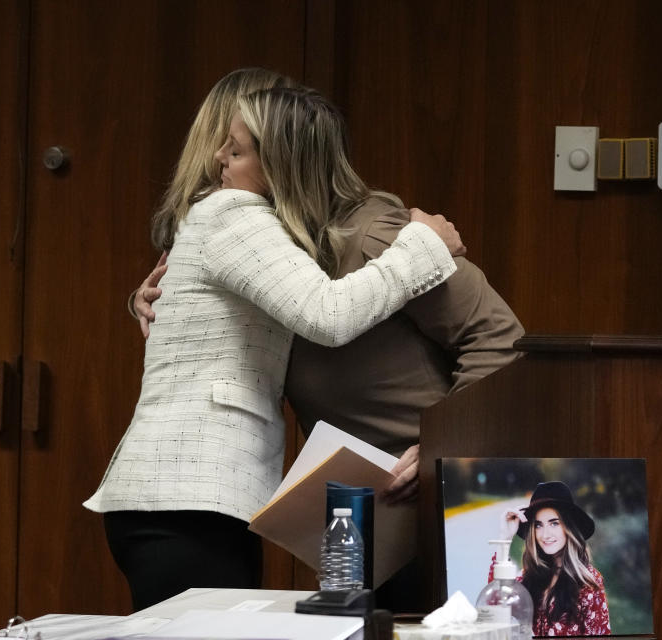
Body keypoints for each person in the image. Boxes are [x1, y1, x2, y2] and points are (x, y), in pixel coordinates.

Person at [84, 73, 464, 611]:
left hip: (185, 505)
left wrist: (145, 299)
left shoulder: (233, 222)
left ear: (280, 163)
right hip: (188, 502)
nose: (218, 157)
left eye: (235, 151)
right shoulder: (234, 214)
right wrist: (424, 244)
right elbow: (328, 314)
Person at [495, 481, 611, 636]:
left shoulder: (588, 584)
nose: (545, 535)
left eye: (554, 523)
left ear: (569, 527)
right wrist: (505, 537)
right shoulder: (527, 577)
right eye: (538, 525)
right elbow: (494, 608)